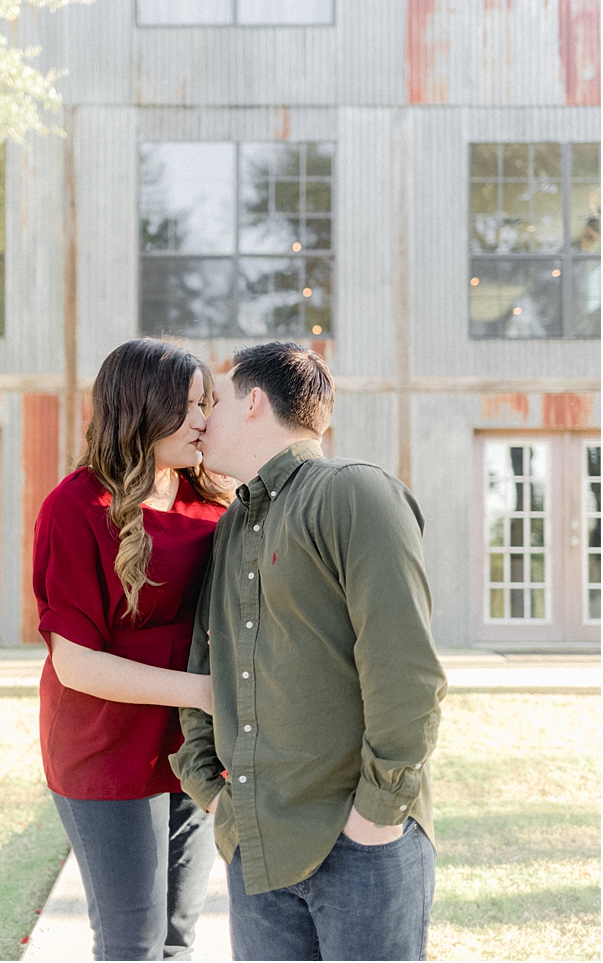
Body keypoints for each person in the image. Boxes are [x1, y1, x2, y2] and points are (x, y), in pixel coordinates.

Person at [170, 342, 448, 962]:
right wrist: (211, 789)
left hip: (361, 847)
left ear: (254, 403)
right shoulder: (231, 527)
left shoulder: (354, 495)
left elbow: (407, 673)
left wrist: (375, 818)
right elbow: (204, 666)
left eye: (213, 402)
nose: (202, 421)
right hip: (257, 847)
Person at [33, 338, 231, 961]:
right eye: (191, 405)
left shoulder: (214, 502)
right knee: (131, 941)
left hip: (192, 745)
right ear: (142, 406)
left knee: (177, 935)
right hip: (103, 744)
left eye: (208, 403)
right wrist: (206, 691)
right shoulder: (76, 506)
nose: (204, 419)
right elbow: (75, 662)